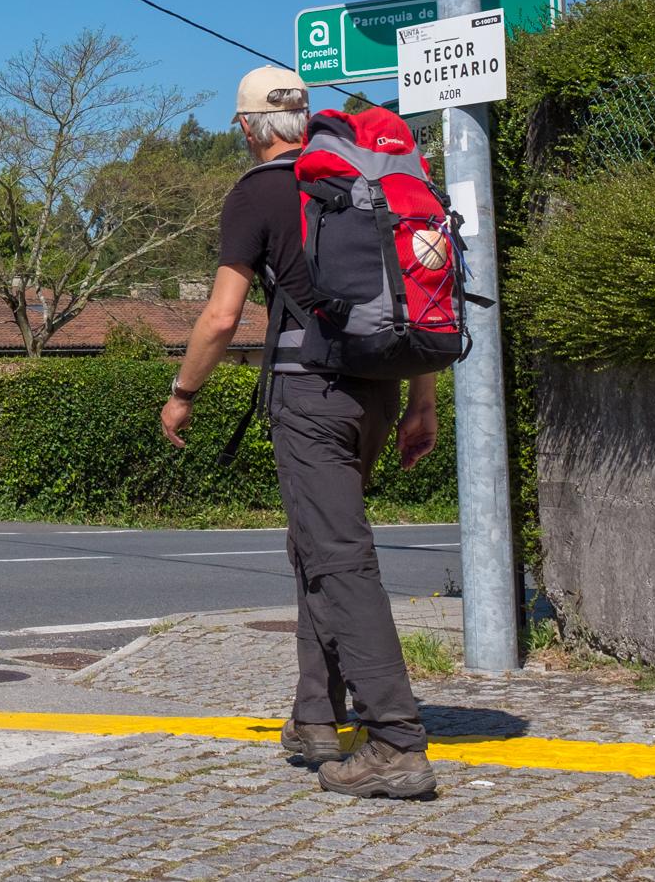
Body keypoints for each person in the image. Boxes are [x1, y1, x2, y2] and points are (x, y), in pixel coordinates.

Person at [159, 65, 440, 800]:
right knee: (315, 544)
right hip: (379, 388)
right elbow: (413, 295)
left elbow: (222, 316)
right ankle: (316, 716)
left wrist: (182, 394)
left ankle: (395, 739)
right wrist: (423, 403)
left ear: (248, 128)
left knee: (339, 556)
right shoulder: (357, 177)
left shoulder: (257, 192)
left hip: (312, 394)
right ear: (304, 119)